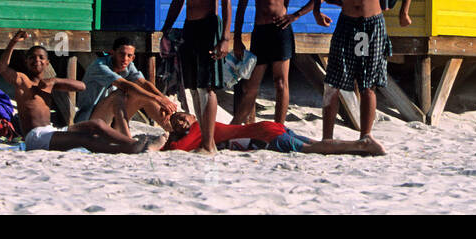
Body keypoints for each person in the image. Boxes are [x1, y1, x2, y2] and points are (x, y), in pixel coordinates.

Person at [314, 0, 414, 146]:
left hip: (372, 23)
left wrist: (404, 11)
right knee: (333, 81)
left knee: (368, 81)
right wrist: (317, 12)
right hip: (347, 23)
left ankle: (366, 135)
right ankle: (326, 137)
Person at [0, 30, 148, 153]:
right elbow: (3, 68)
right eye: (32, 58)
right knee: (84, 140)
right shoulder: (23, 81)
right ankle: (127, 149)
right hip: (35, 137)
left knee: (97, 125)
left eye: (41, 58)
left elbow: (81, 86)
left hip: (51, 130)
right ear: (26, 62)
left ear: (47, 63)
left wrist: (55, 81)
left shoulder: (50, 84)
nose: (37, 60)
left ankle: (132, 143)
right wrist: (13, 42)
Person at [233, 0, 330, 125]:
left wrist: (296, 15)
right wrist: (237, 37)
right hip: (260, 33)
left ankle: (278, 128)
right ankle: (236, 126)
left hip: (280, 32)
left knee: (281, 82)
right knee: (251, 85)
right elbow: (242, 6)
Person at [160, 0, 233, 154]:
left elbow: (226, 1)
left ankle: (209, 143)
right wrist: (166, 30)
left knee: (207, 86)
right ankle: (204, 140)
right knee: (193, 87)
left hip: (210, 26)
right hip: (190, 26)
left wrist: (226, 37)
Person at [151, 111, 384, 156]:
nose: (180, 122)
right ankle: (357, 145)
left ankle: (362, 144)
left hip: (265, 134)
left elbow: (178, 149)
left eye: (182, 117)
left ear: (193, 116)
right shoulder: (198, 128)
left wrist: (168, 139)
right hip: (268, 127)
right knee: (316, 143)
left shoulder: (198, 128)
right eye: (175, 122)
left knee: (313, 149)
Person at [75, 36, 179, 133]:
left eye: (129, 56)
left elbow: (143, 83)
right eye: (121, 54)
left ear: (133, 58)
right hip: (89, 121)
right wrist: (158, 99)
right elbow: (125, 85)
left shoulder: (128, 65)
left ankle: (173, 131)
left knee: (144, 96)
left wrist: (164, 99)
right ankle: (125, 136)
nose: (125, 59)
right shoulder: (99, 66)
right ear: (112, 53)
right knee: (118, 95)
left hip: (112, 120)